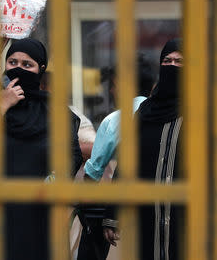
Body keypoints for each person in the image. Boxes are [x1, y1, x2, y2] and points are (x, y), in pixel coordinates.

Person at [0, 38, 83, 260]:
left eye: (27, 65)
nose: (18, 68)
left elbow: (71, 156)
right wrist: (1, 106)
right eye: (12, 62)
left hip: (35, 215)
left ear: (40, 70)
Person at [76, 54, 156, 260]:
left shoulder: (114, 121)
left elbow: (93, 172)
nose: (111, 91)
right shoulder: (161, 115)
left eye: (114, 85)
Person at [136, 38, 183, 260]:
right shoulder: (145, 112)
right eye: (167, 60)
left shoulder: (206, 111)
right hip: (148, 214)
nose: (172, 66)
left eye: (180, 61)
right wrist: (113, 213)